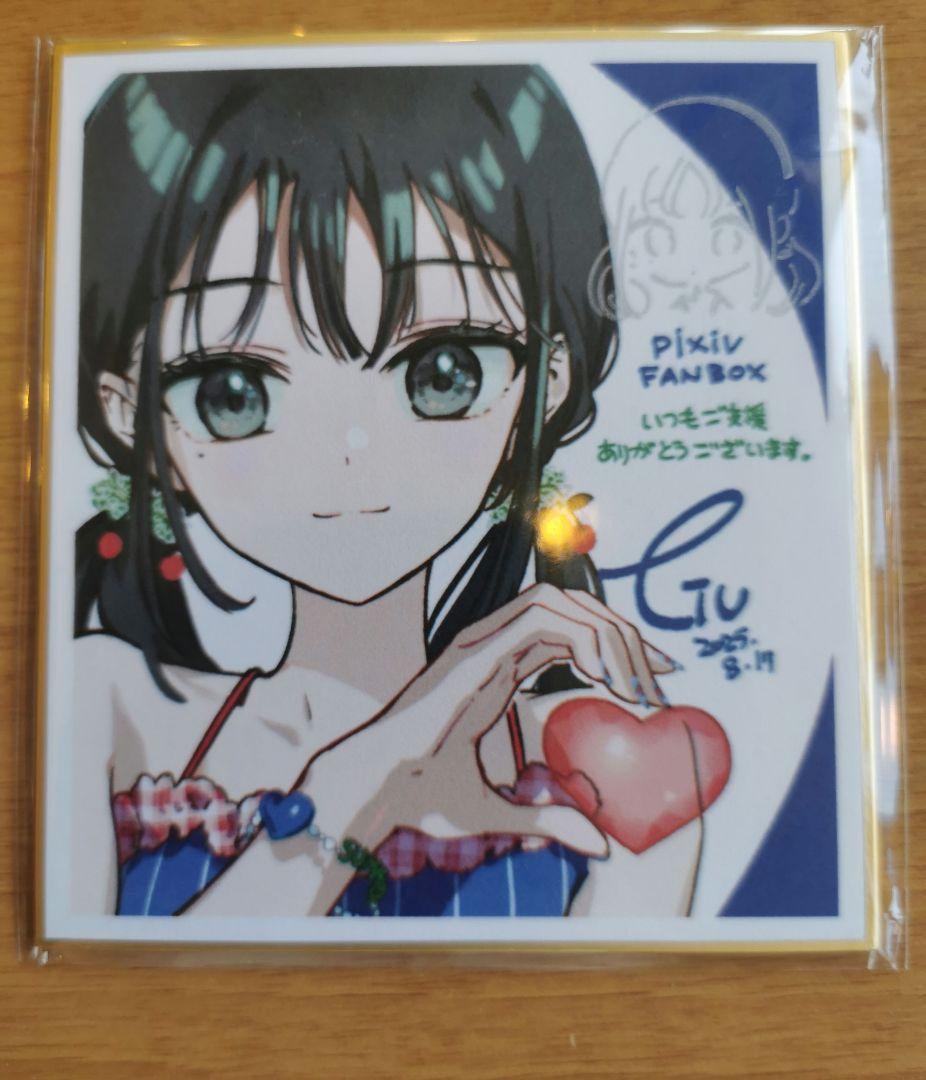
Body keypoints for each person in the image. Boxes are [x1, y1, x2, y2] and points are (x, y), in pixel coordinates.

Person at [73, 65, 701, 919]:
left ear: (548, 381)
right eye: (234, 393)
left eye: (443, 373)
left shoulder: (609, 772)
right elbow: (103, 1003)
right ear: (130, 415)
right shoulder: (111, 709)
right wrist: (372, 772)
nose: (349, 455)